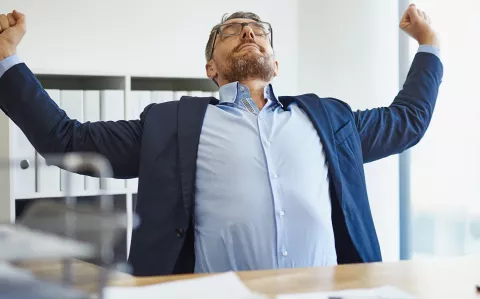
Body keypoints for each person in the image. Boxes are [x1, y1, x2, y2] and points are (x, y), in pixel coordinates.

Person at [0, 5, 442, 276]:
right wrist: (7, 60)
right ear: (211, 68)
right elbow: (66, 137)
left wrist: (429, 45)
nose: (248, 32)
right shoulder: (168, 125)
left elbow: (408, 121)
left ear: (275, 61)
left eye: (258, 30)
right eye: (232, 31)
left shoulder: (331, 119)